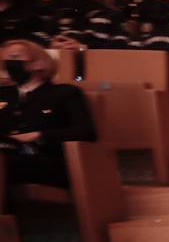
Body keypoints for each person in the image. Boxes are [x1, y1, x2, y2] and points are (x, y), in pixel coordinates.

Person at [0, 38, 97, 211]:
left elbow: (86, 132)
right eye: (5, 60)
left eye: (15, 57)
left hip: (46, 160)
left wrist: (39, 135)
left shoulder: (65, 93)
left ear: (38, 62)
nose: (9, 64)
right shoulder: (4, 95)